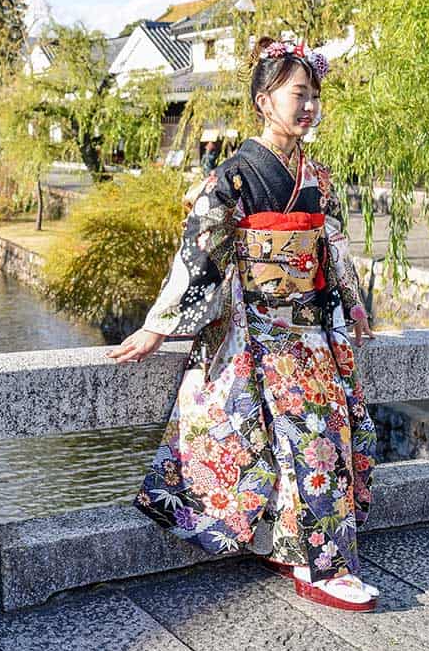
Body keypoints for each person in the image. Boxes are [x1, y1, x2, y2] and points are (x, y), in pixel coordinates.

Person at [107, 37, 380, 611]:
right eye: (297, 95)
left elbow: (332, 244)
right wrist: (160, 324)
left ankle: (296, 548)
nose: (309, 107)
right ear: (264, 100)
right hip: (257, 331)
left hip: (310, 329)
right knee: (304, 441)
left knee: (323, 437)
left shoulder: (317, 177)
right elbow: (201, 249)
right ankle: (322, 566)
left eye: (314, 97)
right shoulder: (235, 174)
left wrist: (353, 305)